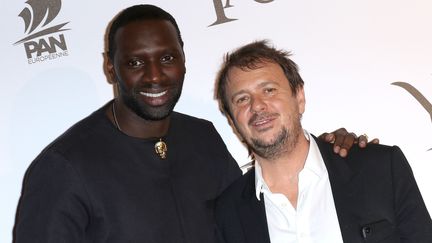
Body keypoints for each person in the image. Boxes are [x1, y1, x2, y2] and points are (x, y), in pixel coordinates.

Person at [13, 5, 373, 243]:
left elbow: (253, 211)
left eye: (167, 58)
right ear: (111, 67)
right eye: (136, 62)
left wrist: (327, 153)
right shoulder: (64, 167)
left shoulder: (202, 137)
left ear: (184, 59)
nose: (155, 76)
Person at [213, 40, 432, 243]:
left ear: (299, 98)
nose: (257, 105)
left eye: (269, 90)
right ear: (233, 122)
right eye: (242, 99)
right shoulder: (227, 214)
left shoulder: (381, 169)